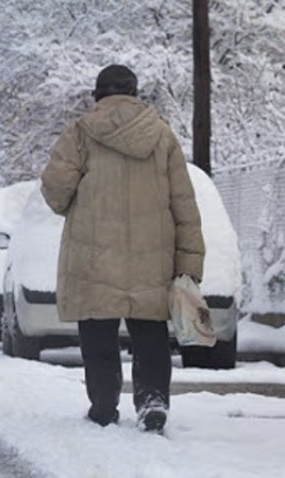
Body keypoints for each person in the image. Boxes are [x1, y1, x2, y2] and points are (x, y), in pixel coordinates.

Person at [40, 65, 205, 432]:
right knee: (150, 332)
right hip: (152, 257)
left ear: (98, 94)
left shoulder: (80, 134)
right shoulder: (162, 136)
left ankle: (103, 406)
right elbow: (184, 204)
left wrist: (77, 201)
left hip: (93, 256)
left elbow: (55, 190)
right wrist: (190, 262)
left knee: (97, 334)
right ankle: (152, 402)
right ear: (135, 93)